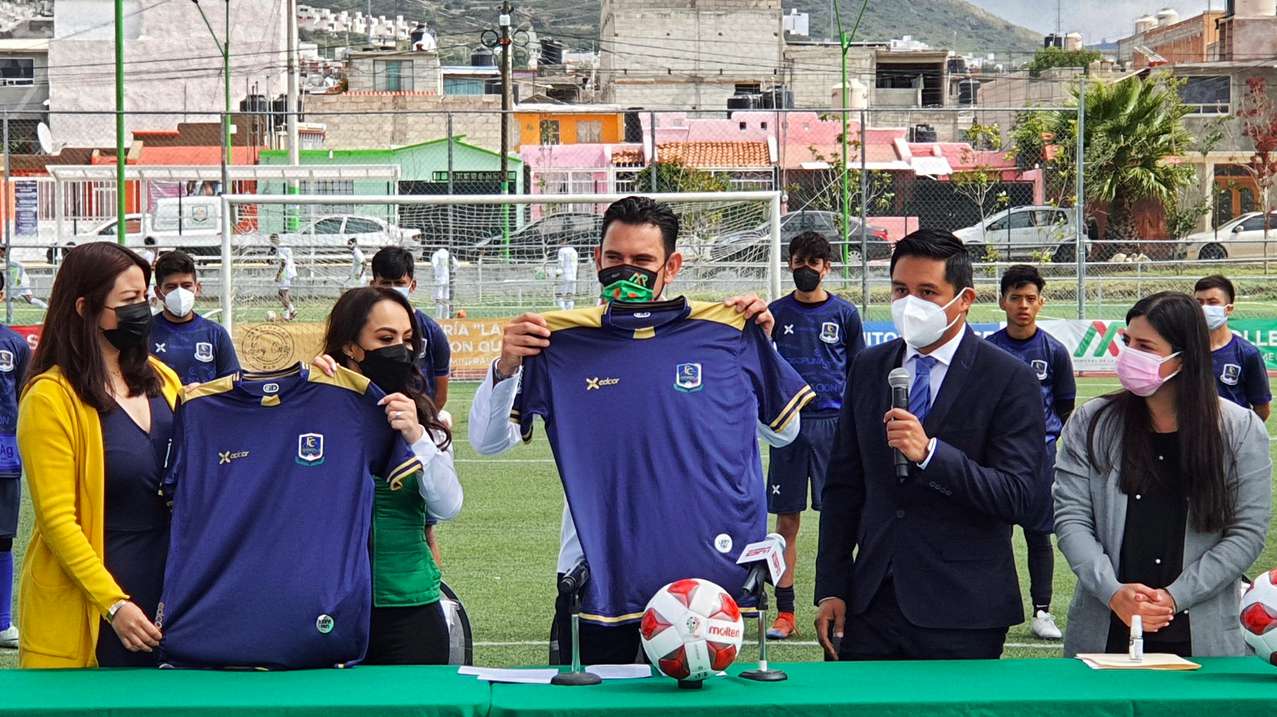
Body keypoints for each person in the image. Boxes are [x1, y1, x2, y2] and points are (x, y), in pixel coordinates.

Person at [469, 196, 785, 665]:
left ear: (671, 265)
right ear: (597, 259)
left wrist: (763, 349)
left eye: (642, 260)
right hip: (596, 578)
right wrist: (506, 365)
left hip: (702, 584)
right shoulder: (560, 341)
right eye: (614, 258)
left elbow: (786, 432)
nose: (626, 271)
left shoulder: (726, 332)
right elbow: (489, 442)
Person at [813, 229, 1047, 661]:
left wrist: (931, 456)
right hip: (869, 605)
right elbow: (843, 488)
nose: (910, 304)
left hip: (963, 610)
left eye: (927, 292)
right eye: (901, 290)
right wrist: (831, 588)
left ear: (964, 300)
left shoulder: (1008, 379)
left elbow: (1019, 497)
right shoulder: (869, 368)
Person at [1055, 291, 1271, 657]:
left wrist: (1174, 597)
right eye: (1127, 342)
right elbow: (1071, 518)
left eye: (1144, 346)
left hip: (1201, 638)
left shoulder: (1240, 428)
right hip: (1103, 633)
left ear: (1184, 358)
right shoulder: (1092, 422)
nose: (1129, 355)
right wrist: (1113, 592)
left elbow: (1247, 532)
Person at [15, 242, 182, 668]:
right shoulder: (50, 398)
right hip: (95, 610)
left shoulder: (164, 380)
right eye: (129, 302)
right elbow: (56, 522)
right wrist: (114, 605)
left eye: (145, 298)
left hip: (173, 604)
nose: (141, 312)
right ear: (84, 307)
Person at [317, 286, 462, 664]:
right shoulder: (316, 406)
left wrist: (416, 436)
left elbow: (448, 505)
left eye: (407, 339)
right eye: (386, 338)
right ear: (351, 346)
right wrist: (312, 394)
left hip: (410, 604)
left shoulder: (424, 418)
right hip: (327, 604)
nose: (400, 349)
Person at [764, 230, 865, 640]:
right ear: (790, 264)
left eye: (814, 262)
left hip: (833, 427)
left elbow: (859, 373)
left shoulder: (845, 314)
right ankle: (784, 612)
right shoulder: (774, 313)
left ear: (826, 268)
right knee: (786, 522)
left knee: (839, 520)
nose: (805, 269)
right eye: (798, 261)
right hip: (789, 427)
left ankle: (838, 603)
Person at [986, 265, 1075, 641]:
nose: (1023, 305)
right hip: (996, 458)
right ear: (1002, 301)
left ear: (1041, 302)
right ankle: (992, 607)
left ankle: (1042, 611)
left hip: (1040, 457)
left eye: (1030, 299)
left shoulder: (1054, 351)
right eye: (1015, 298)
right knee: (994, 534)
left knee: (1039, 535)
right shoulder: (987, 349)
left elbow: (1065, 406)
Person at [370, 247, 451, 409]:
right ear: (373, 285)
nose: (393, 289)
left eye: (399, 283)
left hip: (416, 423)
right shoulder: (358, 326)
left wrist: (426, 423)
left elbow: (441, 392)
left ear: (412, 286)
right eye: (386, 283)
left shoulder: (431, 331)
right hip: (371, 419)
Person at [148, 250, 240, 387]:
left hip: (204, 408)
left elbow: (233, 383)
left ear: (197, 288)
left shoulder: (216, 333)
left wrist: (203, 392)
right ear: (158, 293)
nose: (180, 293)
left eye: (186, 286)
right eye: (171, 287)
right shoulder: (145, 333)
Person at [0, 269, 31, 650]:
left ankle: (3, 622)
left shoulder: (14, 345)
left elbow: (27, 397)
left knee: (2, 541)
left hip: (5, 460)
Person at [1194, 274, 1270, 422]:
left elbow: (1262, 408)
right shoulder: (1181, 349)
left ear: (1228, 309)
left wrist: (1241, 435)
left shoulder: (1248, 353)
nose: (1204, 308)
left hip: (1230, 440)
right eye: (1199, 302)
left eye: (1212, 302)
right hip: (1190, 438)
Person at [0, 246, 48, 310]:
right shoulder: (5, 259)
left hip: (20, 282)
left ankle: (10, 318)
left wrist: (18, 279)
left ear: (4, 251)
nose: (0, 253)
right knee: (29, 300)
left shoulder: (9, 259)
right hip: (18, 282)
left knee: (10, 298)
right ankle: (46, 307)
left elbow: (21, 266)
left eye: (0, 252)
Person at [270, 233, 297, 321]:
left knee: (282, 294)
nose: (272, 243)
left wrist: (278, 274)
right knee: (282, 293)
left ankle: (292, 310)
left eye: (272, 241)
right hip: (290, 271)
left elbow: (283, 262)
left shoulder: (280, 248)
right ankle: (286, 316)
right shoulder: (285, 246)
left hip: (285, 273)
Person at [556, 245, 579, 311]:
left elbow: (561, 263)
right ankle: (570, 310)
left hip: (564, 276)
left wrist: (557, 274)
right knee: (570, 294)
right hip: (573, 277)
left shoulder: (562, 250)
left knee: (559, 294)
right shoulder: (574, 251)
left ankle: (563, 310)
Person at [431, 246, 451, 318]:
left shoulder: (436, 254)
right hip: (447, 279)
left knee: (439, 299)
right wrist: (452, 272)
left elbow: (434, 265)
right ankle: (446, 317)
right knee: (446, 298)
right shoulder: (448, 254)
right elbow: (457, 265)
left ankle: (438, 317)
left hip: (439, 280)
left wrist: (436, 273)